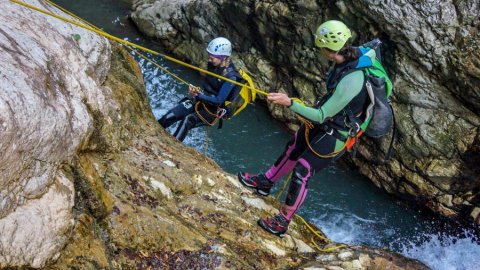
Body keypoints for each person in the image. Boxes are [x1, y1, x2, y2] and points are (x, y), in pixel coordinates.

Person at [238, 20, 379, 237]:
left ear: (328, 50)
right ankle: (265, 182)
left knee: (303, 169)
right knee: (294, 146)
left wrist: (289, 103)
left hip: (337, 132)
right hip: (328, 122)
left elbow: (322, 115)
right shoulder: (345, 61)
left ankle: (283, 221)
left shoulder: (352, 78)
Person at [158, 37, 243, 141]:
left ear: (224, 58)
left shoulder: (231, 77)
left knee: (187, 121)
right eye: (209, 57)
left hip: (211, 111)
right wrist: (197, 93)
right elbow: (210, 85)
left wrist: (198, 95)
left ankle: (172, 147)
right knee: (168, 117)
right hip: (200, 100)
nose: (209, 60)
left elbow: (219, 101)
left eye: (212, 58)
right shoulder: (214, 64)